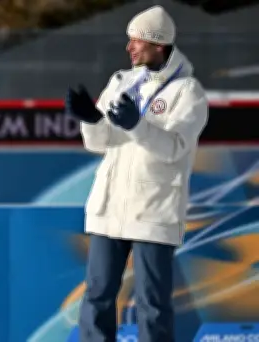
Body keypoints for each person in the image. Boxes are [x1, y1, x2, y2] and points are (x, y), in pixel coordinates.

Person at [65, 5, 208, 342]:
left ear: (159, 45)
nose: (129, 48)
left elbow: (174, 148)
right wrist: (91, 119)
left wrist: (137, 125)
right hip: (111, 206)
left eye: (137, 42)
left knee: (152, 303)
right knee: (97, 296)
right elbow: (100, 144)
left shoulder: (187, 92)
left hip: (153, 209)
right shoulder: (121, 82)